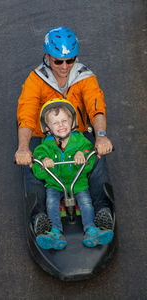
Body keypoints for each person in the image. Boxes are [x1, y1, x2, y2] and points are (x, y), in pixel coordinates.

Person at [15, 26, 114, 234]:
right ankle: (40, 218)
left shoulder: (84, 76)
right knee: (32, 167)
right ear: (47, 57)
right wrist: (23, 148)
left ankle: (103, 214)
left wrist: (102, 137)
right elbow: (26, 115)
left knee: (97, 160)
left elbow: (97, 109)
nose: (64, 66)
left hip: (76, 132)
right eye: (58, 61)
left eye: (70, 60)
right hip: (43, 135)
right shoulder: (35, 80)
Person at [32, 99, 114, 250]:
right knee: (51, 202)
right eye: (55, 123)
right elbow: (37, 162)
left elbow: (90, 152)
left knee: (86, 202)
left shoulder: (80, 140)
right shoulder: (45, 146)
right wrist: (45, 160)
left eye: (64, 121)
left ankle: (91, 230)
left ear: (72, 122)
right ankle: (55, 232)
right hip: (55, 183)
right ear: (48, 128)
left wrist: (82, 153)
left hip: (78, 182)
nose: (61, 125)